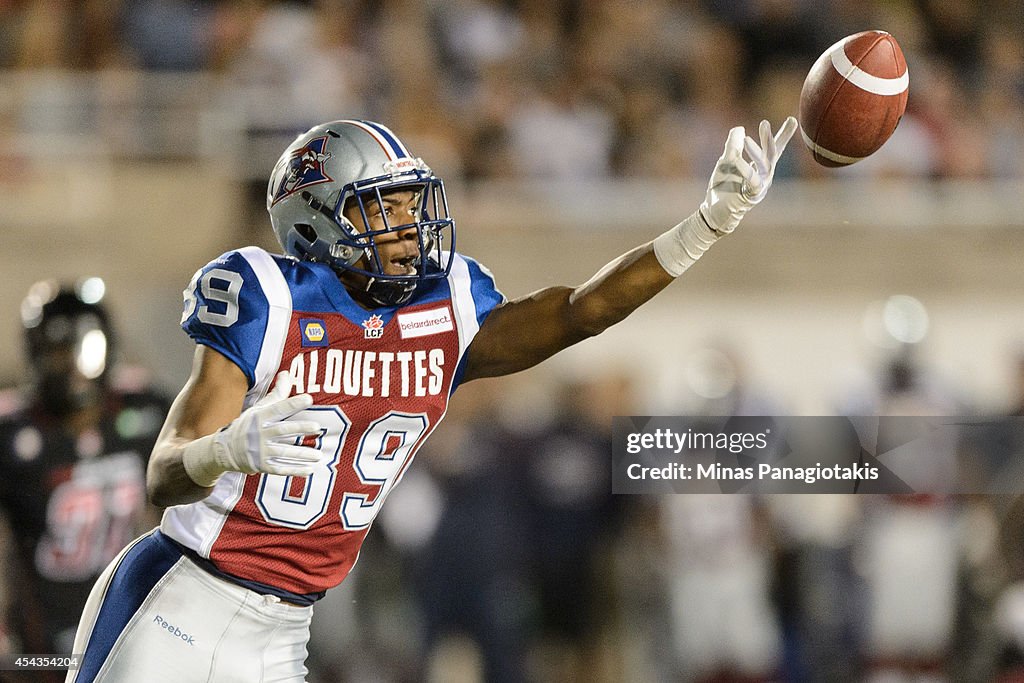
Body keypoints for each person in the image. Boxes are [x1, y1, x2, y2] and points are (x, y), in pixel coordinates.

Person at [67, 115, 797, 682]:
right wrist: (224, 448)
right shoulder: (269, 299)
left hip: (285, 626)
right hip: (179, 597)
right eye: (381, 208)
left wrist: (704, 226)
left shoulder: (444, 313)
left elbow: (582, 309)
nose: (410, 226)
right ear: (318, 221)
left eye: (410, 203)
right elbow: (162, 475)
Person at [0, 281, 166, 682]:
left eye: (83, 347)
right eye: (57, 352)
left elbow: (181, 516)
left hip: (123, 619)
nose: (72, 364)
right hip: (41, 643)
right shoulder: (13, 434)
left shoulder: (145, 411)